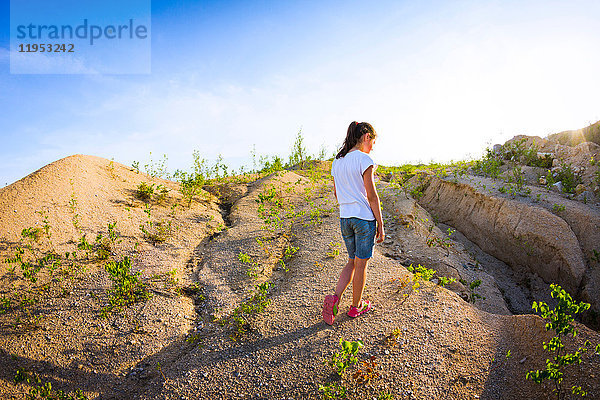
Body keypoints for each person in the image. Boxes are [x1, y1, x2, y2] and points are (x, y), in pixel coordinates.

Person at [322, 121, 385, 325]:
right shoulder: (364, 159)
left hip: (345, 218)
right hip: (363, 219)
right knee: (361, 265)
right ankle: (356, 307)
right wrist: (381, 225)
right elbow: (372, 196)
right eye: (373, 141)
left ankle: (335, 298)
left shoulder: (337, 161)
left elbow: (336, 193)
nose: (373, 146)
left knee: (351, 261)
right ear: (366, 136)